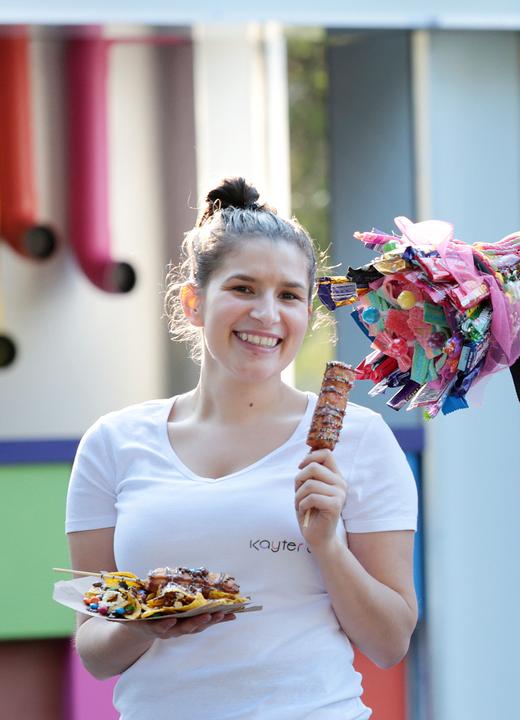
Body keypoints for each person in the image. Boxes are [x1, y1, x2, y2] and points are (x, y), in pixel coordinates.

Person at [65, 178, 419, 719]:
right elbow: (93, 648)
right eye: (243, 288)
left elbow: (389, 643)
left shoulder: (359, 438)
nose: (267, 315)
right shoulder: (113, 443)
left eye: (289, 296)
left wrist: (328, 545)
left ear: (307, 313)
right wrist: (143, 623)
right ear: (193, 302)